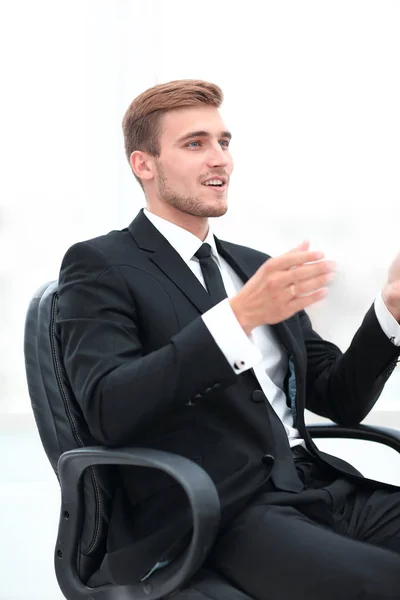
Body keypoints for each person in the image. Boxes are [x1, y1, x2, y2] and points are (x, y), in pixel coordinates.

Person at [57, 79, 400, 600]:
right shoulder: (100, 265)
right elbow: (108, 406)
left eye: (224, 141)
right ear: (143, 164)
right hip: (221, 509)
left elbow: (340, 397)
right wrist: (234, 320)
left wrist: (389, 315)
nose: (220, 159)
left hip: (321, 486)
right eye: (195, 144)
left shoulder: (252, 265)